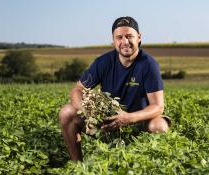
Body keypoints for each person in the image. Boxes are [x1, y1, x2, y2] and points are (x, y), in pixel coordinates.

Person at [58, 16, 170, 161]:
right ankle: (78, 167)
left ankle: (152, 170)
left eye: (129, 36)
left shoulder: (148, 64)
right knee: (67, 112)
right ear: (113, 40)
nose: (125, 42)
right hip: (108, 122)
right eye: (119, 37)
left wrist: (128, 118)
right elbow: (77, 90)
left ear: (139, 38)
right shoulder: (103, 62)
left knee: (159, 125)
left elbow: (158, 107)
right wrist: (87, 112)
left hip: (139, 122)